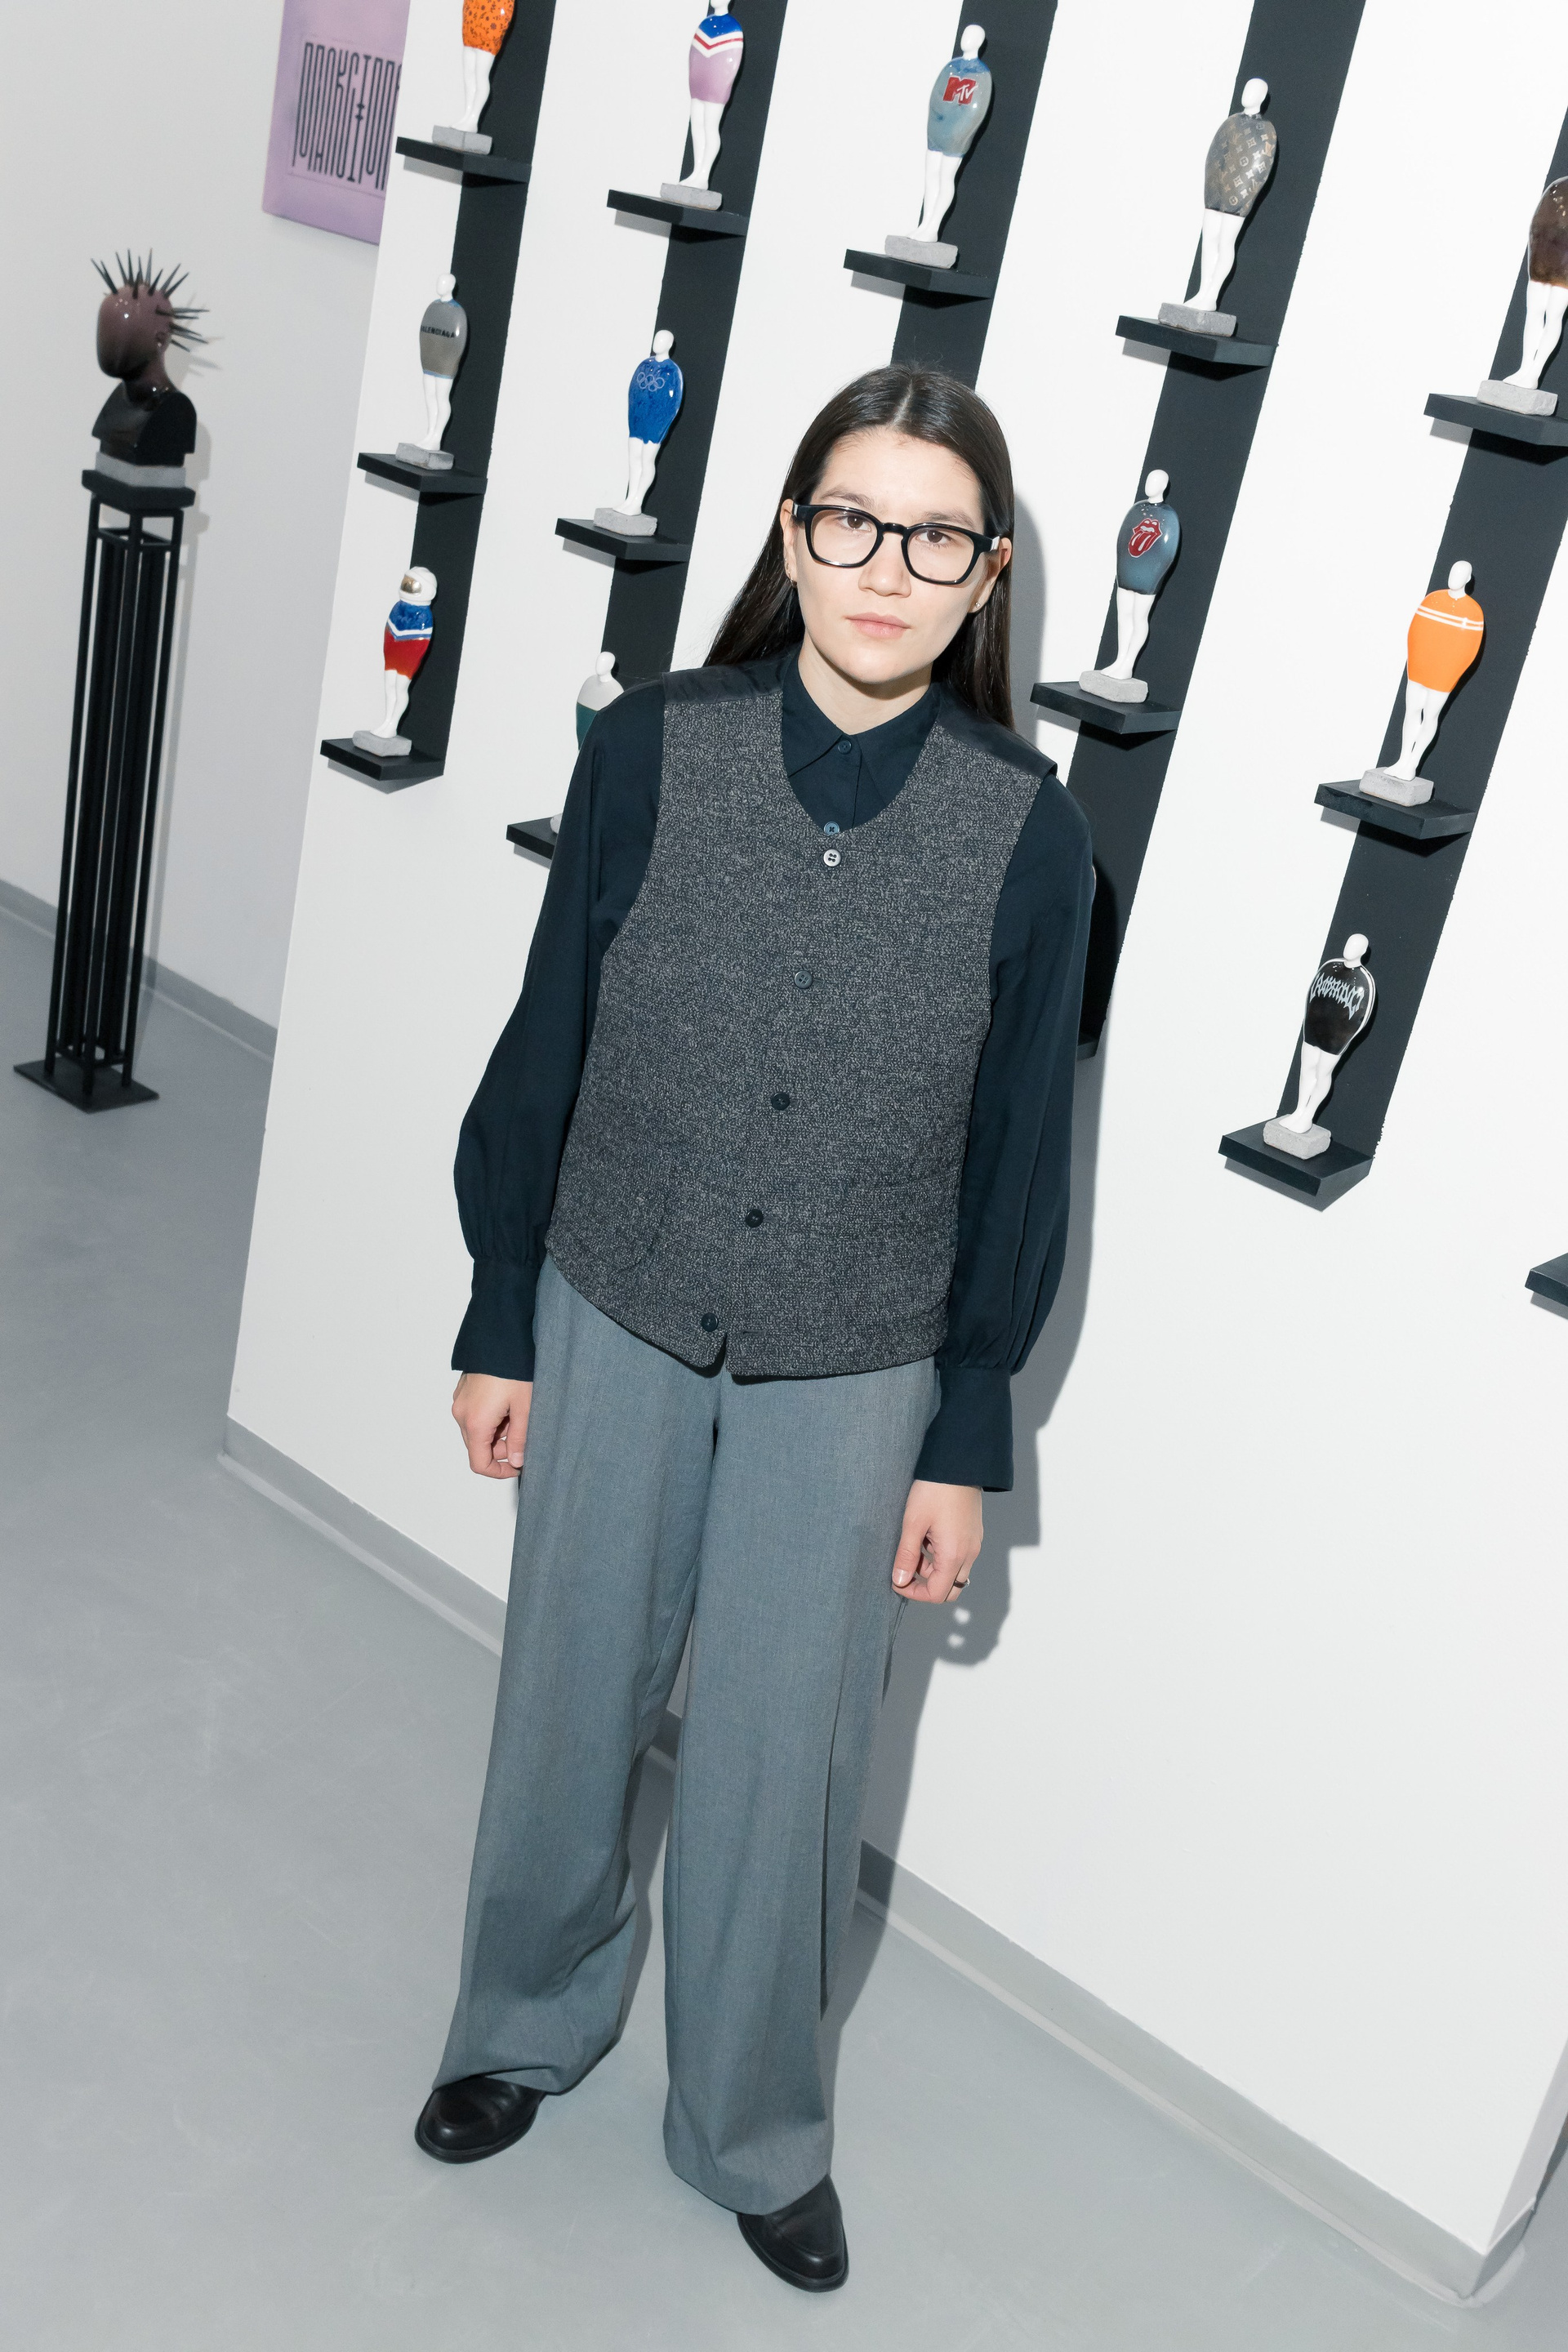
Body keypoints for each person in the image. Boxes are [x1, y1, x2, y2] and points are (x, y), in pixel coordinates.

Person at [417, 365, 1094, 2294]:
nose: (888, 568)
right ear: (795, 535)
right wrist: (500, 1310)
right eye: (852, 520)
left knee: (786, 1768)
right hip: (612, 1296)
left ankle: (752, 2127)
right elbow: (547, 1037)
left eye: (938, 539)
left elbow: (1019, 1161)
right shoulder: (652, 747)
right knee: (566, 1701)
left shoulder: (1032, 838)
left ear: (986, 579)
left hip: (858, 1361)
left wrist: (966, 1431)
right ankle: (517, 2026)